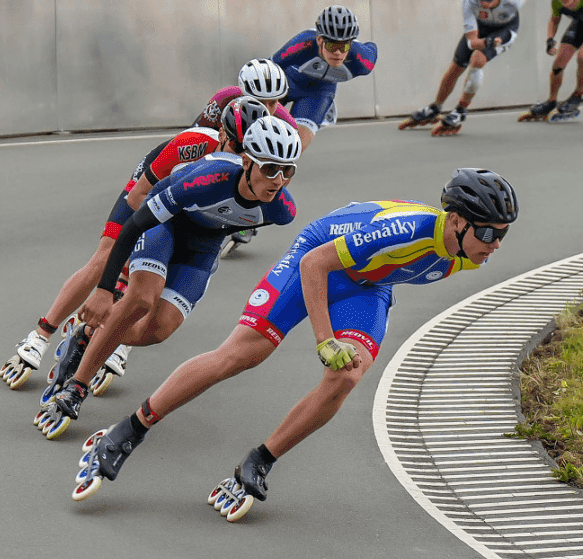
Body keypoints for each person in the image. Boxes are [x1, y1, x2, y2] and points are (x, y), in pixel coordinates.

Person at [69, 168, 519, 521]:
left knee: (347, 376)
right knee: (245, 353)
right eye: (487, 233)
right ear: (457, 221)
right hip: (317, 256)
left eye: (502, 234)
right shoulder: (408, 231)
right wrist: (324, 339)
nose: (495, 245)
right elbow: (315, 265)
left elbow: (387, 273)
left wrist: (351, 332)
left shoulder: (467, 255)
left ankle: (259, 460)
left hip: (366, 282)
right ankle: (130, 429)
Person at [0, 62, 296, 392]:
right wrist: (130, 265)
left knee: (155, 283)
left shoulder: (276, 133)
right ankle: (40, 334)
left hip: (190, 206)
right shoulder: (200, 139)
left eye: (275, 102)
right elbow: (142, 196)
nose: (270, 108)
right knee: (107, 259)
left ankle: (116, 337)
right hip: (153, 185)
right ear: (227, 135)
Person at [34, 117, 303, 440]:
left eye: (288, 170)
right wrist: (105, 290)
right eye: (270, 168)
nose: (279, 179)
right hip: (165, 224)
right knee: (142, 298)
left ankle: (88, 336)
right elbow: (134, 225)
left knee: (158, 330)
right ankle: (76, 388)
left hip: (203, 246)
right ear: (247, 161)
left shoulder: (281, 210)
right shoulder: (208, 179)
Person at [400, 0, 547, 136]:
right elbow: (472, 41)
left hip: (503, 30)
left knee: (478, 59)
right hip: (481, 30)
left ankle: (461, 109)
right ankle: (435, 107)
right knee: (456, 67)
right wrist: (486, 42)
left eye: (489, 0)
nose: (484, 3)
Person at [272, 6, 378, 149]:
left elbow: (373, 47)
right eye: (332, 46)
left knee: (292, 150)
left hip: (317, 94)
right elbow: (269, 67)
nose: (338, 53)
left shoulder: (363, 61)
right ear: (319, 40)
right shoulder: (304, 43)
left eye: (344, 47)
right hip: (287, 83)